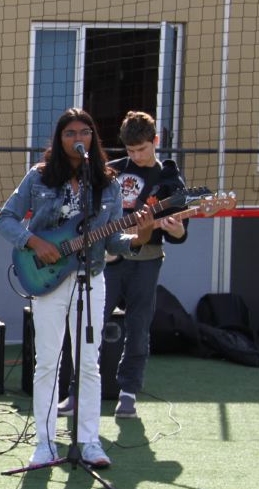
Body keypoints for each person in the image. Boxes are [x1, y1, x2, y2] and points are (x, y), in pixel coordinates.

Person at [0, 107, 154, 468]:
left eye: (84, 132)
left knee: (89, 364)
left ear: (93, 138)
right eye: (70, 133)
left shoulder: (108, 184)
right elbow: (5, 219)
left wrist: (140, 237)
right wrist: (34, 242)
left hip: (91, 279)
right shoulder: (38, 177)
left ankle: (89, 442)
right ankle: (44, 443)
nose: (77, 138)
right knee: (47, 362)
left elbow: (113, 240)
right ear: (59, 138)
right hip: (47, 281)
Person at [57, 111, 187, 420]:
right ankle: (76, 392)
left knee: (138, 328)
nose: (137, 156)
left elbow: (181, 235)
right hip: (107, 260)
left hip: (146, 261)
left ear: (155, 141)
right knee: (90, 326)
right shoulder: (110, 171)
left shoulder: (169, 180)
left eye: (142, 149)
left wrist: (175, 229)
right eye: (131, 150)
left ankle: (128, 394)